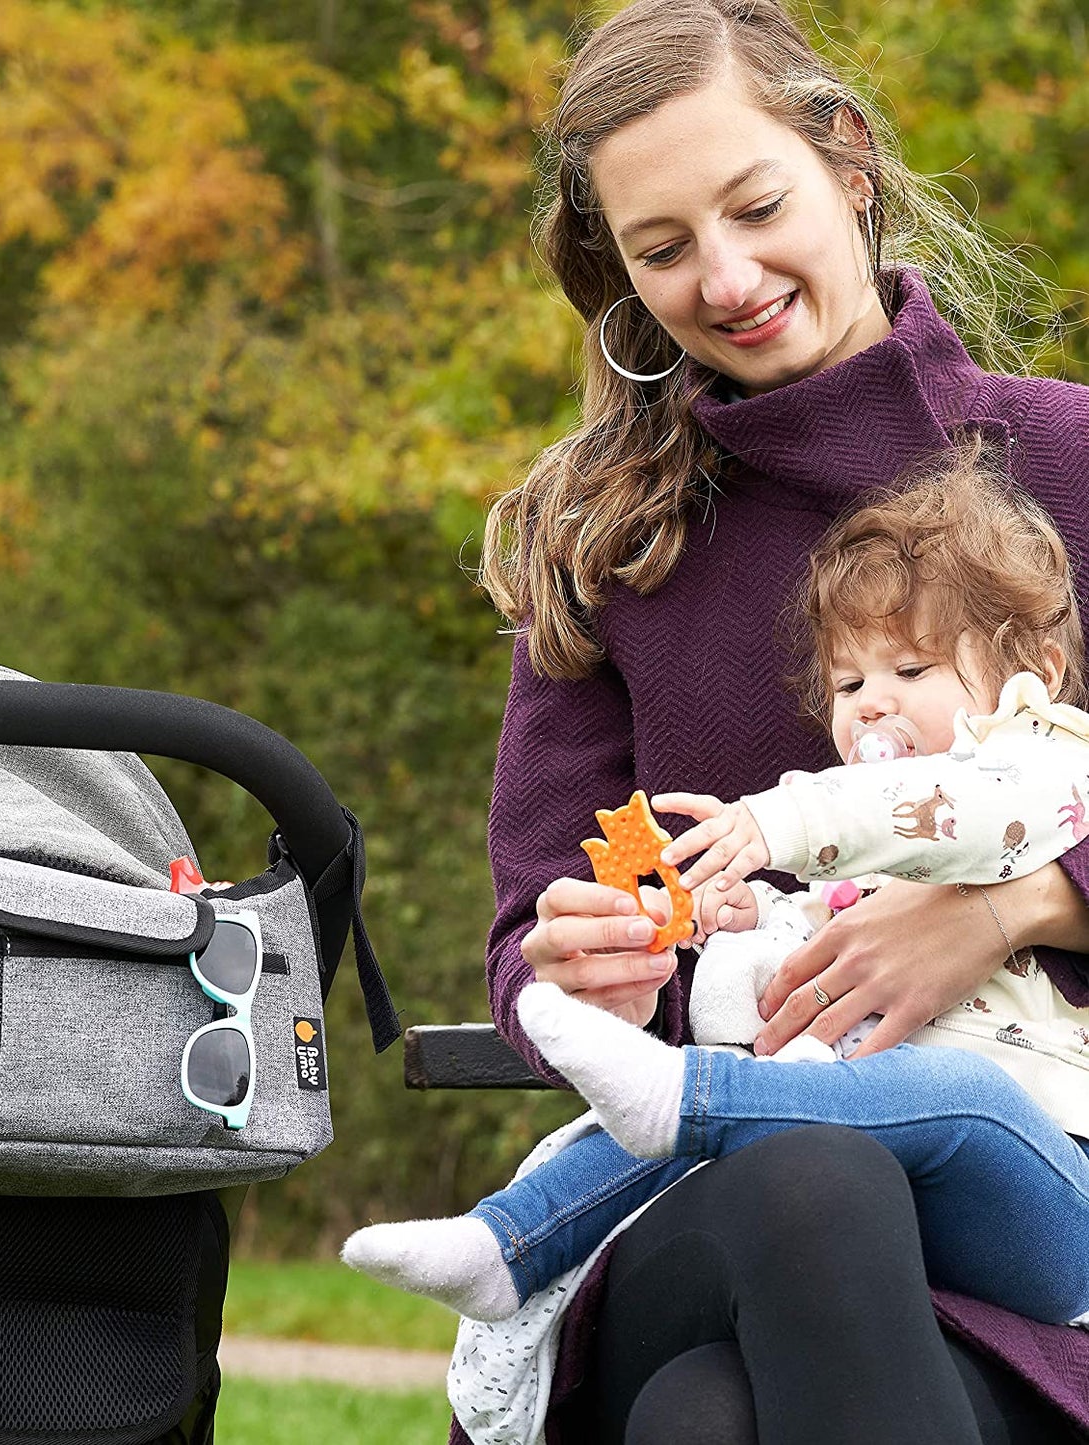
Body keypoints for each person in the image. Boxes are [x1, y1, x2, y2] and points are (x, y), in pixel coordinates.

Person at [433, 0, 1089, 1439]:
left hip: (1043, 1226)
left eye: (756, 206)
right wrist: (590, 974)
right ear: (617, 273)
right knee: (815, 1180)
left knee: (706, 1422)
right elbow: (525, 947)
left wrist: (1013, 907)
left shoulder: (1068, 460)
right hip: (706, 1205)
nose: (724, 277)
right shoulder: (608, 544)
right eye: (663, 249)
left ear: (844, 160)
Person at [344, 456, 1089, 1335]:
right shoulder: (870, 862)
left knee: (953, 1091)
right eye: (848, 685)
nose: (869, 707)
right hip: (871, 1195)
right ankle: (505, 1245)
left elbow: (952, 814)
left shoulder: (1043, 761)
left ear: (1032, 666)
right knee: (750, 1095)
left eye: (911, 670)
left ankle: (680, 1099)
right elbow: (821, 940)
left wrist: (777, 820)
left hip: (1050, 1195)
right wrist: (748, 922)